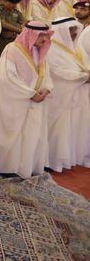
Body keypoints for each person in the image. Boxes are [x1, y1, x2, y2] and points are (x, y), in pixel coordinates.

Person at [0, 22, 52, 178]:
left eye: (46, 35)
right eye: (40, 35)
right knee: (14, 136)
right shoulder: (12, 49)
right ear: (30, 34)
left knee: (31, 135)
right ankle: (7, 167)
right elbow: (7, 77)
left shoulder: (41, 51)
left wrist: (47, 89)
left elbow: (47, 74)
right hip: (16, 102)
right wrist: (30, 93)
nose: (44, 39)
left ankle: (26, 167)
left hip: (35, 101)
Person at [44, 17, 89, 171]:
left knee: (73, 127)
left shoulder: (75, 47)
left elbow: (84, 64)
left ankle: (69, 158)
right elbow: (57, 72)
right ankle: (52, 160)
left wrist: (86, 74)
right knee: (58, 128)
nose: (73, 33)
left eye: (74, 29)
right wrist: (83, 77)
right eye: (69, 30)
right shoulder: (50, 48)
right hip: (59, 95)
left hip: (76, 93)